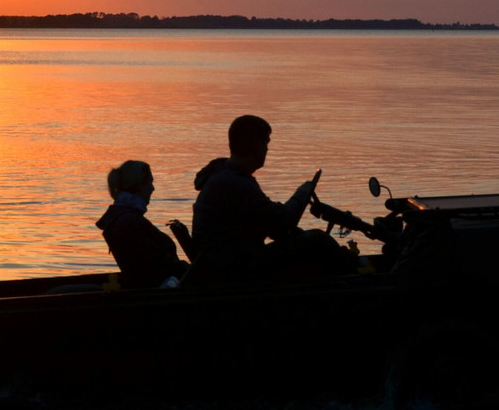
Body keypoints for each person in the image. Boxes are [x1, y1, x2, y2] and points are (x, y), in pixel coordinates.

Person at [190, 115, 346, 283]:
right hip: (233, 270)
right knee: (318, 241)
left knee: (311, 239)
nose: (267, 149)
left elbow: (274, 227)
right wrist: (303, 192)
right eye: (266, 143)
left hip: (227, 263)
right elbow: (283, 221)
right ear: (254, 144)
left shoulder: (227, 177)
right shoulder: (234, 183)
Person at [96, 160, 187, 289]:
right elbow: (155, 267)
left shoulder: (120, 217)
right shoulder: (130, 222)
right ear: (139, 186)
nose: (153, 188)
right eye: (150, 182)